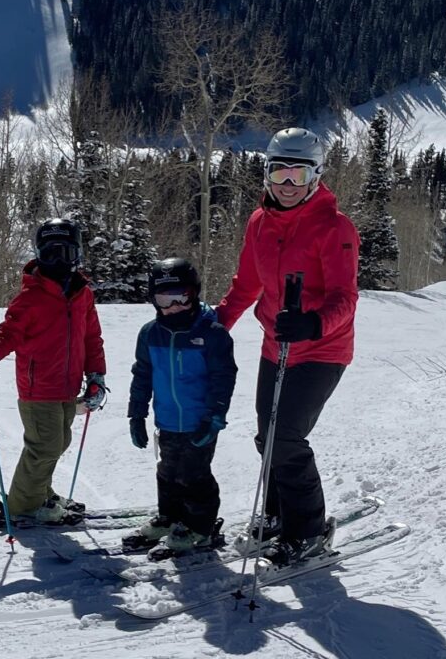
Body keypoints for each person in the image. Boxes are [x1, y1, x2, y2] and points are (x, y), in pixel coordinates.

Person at [216, 127, 359, 567]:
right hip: (275, 345)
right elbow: (247, 284)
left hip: (321, 349)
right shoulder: (260, 223)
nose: (288, 185)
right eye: (280, 173)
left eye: (298, 174)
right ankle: (279, 517)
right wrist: (216, 324)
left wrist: (313, 323)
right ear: (266, 174)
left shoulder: (334, 228)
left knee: (286, 438)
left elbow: (344, 298)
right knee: (268, 437)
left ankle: (310, 531)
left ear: (316, 176)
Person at [0, 218, 107, 524]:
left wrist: (96, 376)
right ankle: (22, 505)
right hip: (38, 387)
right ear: (39, 255)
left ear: (78, 255)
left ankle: (39, 491)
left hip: (68, 386)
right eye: (50, 253)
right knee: (44, 446)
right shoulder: (30, 298)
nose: (58, 261)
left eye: (66, 253)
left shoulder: (83, 294)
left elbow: (91, 338)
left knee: (59, 442)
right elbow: (9, 332)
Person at [127, 257, 237, 554]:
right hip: (168, 420)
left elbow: (223, 377)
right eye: (165, 299)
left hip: (200, 421)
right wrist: (136, 414)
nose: (173, 306)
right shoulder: (150, 334)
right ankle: (170, 517)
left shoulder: (212, 333)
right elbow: (142, 374)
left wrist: (215, 416)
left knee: (194, 474)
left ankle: (200, 528)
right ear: (153, 300)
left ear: (194, 293)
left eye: (181, 297)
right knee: (167, 471)